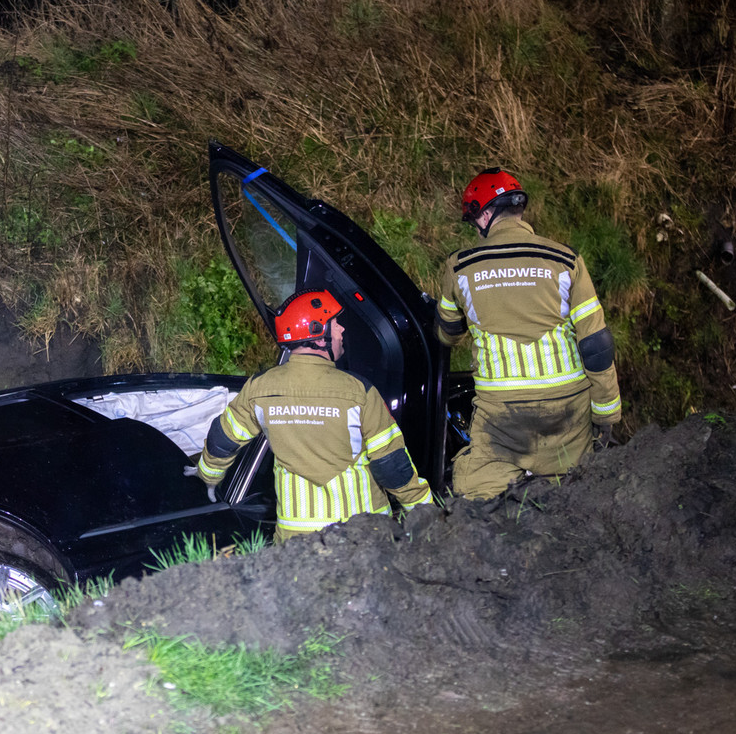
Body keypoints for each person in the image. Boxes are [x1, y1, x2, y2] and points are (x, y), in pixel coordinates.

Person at [436, 168, 622, 499]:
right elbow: (596, 344)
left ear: (486, 214)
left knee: (481, 495)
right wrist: (606, 412)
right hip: (568, 410)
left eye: (475, 220)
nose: (476, 229)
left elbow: (448, 334)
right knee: (574, 494)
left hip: (502, 416)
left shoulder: (460, 266)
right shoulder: (566, 260)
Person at [195, 290, 434, 541]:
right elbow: (391, 465)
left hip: (295, 540)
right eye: (335, 323)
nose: (342, 329)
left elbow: (222, 439)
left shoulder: (259, 388)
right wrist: (425, 510)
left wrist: (208, 476)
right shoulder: (359, 392)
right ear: (318, 334)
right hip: (362, 536)